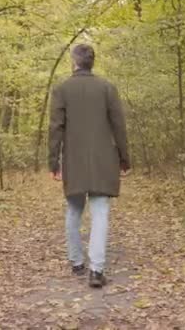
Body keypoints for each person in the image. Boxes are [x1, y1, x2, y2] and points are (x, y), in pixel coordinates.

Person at [48, 44, 130, 288]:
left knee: (74, 209)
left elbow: (55, 129)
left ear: (74, 62)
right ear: (91, 62)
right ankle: (96, 270)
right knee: (100, 213)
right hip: (104, 161)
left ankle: (76, 262)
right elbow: (119, 126)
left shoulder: (62, 89)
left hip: (73, 161)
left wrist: (53, 162)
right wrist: (124, 158)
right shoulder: (107, 88)